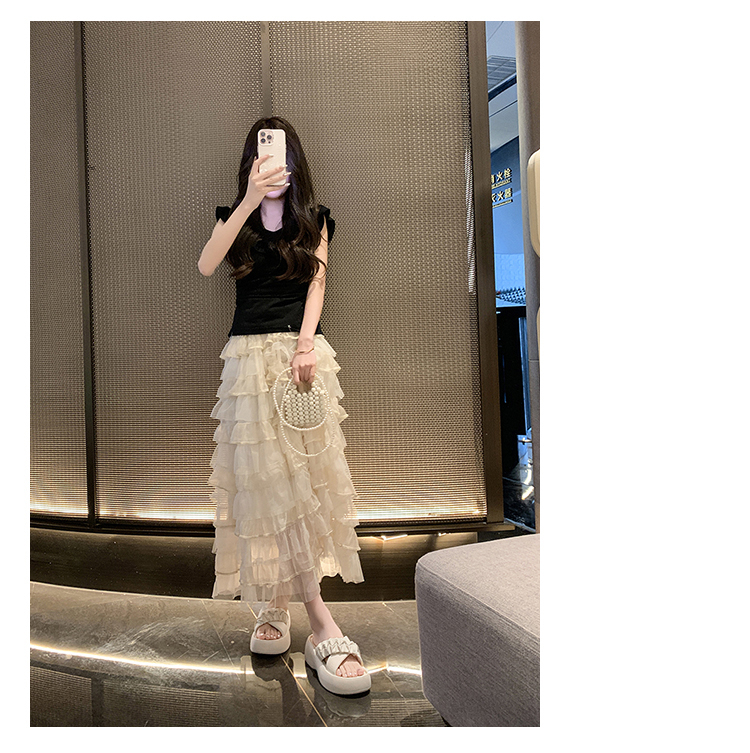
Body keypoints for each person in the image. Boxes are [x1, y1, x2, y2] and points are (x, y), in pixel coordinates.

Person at [198, 117, 370, 695]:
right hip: (248, 361)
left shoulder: (314, 220)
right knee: (266, 484)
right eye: (262, 151)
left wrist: (304, 345)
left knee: (302, 484)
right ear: (252, 160)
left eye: (279, 152)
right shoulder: (234, 217)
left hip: (301, 359)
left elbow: (316, 284)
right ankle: (310, 616)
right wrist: (248, 200)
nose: (272, 160)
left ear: (294, 160)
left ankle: (295, 610)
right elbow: (206, 264)